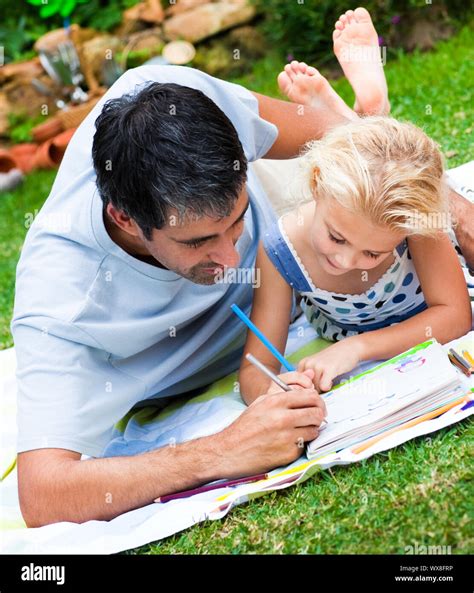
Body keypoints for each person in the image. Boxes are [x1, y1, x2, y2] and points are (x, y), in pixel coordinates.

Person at [11, 7, 472, 527]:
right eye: (199, 241)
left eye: (235, 223)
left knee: (362, 140)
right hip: (293, 287)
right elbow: (44, 496)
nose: (234, 261)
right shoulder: (59, 300)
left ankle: (369, 103)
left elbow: (357, 147)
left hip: (313, 244)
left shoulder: (173, 98)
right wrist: (226, 449)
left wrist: (450, 211)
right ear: (126, 219)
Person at [238, 114, 472, 401]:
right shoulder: (280, 252)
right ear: (317, 183)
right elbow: (255, 371)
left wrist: (357, 348)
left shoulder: (411, 220)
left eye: (373, 253)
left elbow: (456, 317)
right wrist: (274, 393)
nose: (345, 261)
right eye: (337, 237)